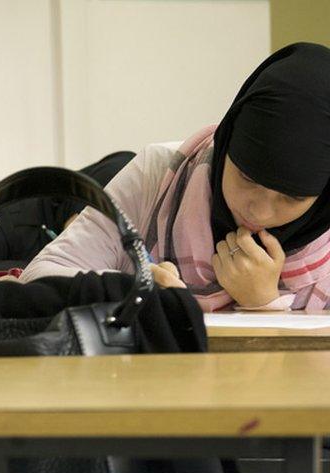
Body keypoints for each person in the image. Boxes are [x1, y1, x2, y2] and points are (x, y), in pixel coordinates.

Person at [21, 43, 330, 312]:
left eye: (292, 197)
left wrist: (265, 303)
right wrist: (130, 291)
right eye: (247, 178)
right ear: (226, 145)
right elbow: (39, 277)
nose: (258, 212)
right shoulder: (158, 175)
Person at [0, 151, 135, 273]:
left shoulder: (129, 233)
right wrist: (44, 268)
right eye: (86, 219)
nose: (90, 231)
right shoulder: (26, 220)